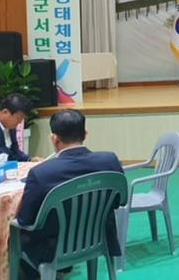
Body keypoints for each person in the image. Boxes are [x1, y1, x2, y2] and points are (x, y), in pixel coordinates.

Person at [16, 109, 124, 277]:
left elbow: (26, 220)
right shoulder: (110, 161)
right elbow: (120, 201)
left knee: (16, 233)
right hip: (98, 237)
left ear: (54, 138)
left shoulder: (41, 173)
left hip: (52, 248)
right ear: (85, 134)